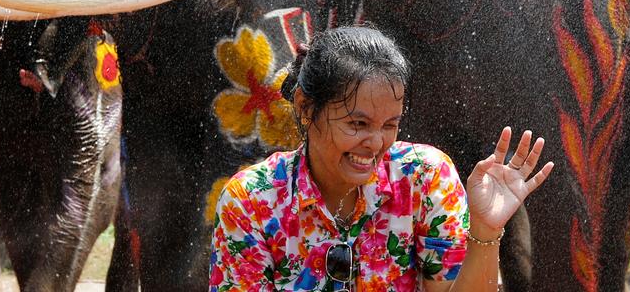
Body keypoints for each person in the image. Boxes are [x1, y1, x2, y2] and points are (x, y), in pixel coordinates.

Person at [209, 25, 554, 291]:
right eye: (357, 124)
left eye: (390, 125)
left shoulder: (426, 178)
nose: (375, 143)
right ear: (305, 107)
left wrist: (486, 229)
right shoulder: (251, 202)